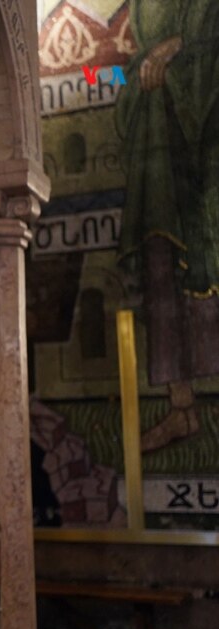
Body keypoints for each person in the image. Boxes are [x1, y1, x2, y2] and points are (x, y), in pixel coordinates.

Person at [115, 0, 219, 451]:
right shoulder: (140, 10)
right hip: (156, 149)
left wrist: (183, 47)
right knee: (161, 265)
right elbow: (116, 72)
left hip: (205, 151)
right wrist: (95, 77)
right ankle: (182, 408)